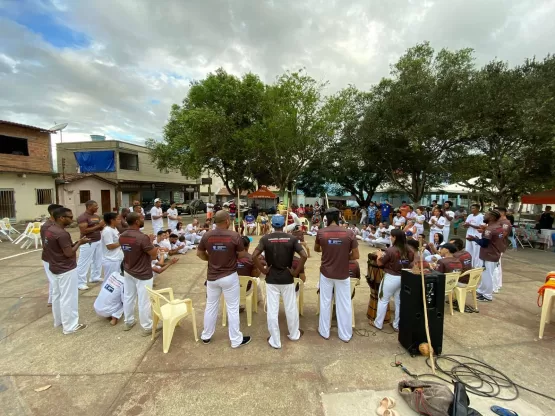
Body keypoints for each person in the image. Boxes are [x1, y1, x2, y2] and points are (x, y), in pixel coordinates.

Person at [197, 210, 251, 348]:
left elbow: (200, 254)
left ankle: (206, 335)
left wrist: (211, 258)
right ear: (227, 221)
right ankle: (235, 340)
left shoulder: (207, 235)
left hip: (212, 277)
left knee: (211, 306)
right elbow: (241, 255)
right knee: (232, 308)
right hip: (229, 276)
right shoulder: (234, 235)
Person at [253, 214, 307, 349]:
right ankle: (294, 334)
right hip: (287, 278)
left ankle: (275, 340)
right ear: (283, 225)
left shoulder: (265, 238)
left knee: (272, 309)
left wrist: (263, 270)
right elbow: (304, 255)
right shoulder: (292, 238)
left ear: (272, 225)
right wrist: (295, 272)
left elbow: (254, 255)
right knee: (291, 307)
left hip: (272, 279)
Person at [314, 207, 359, 342]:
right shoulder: (349, 233)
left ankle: (324, 332)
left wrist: (328, 249)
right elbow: (356, 255)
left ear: (326, 218)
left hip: (326, 273)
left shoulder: (321, 232)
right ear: (339, 217)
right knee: (344, 303)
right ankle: (345, 335)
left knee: (325, 302)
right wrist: (343, 255)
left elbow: (317, 249)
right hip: (343, 273)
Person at [43, 207, 89, 334]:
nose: (72, 218)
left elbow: (56, 249)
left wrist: (77, 242)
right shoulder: (62, 234)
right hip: (66, 269)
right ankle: (70, 326)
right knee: (69, 298)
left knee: (57, 295)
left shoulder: (49, 230)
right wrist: (79, 243)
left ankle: (59, 321)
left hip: (54, 267)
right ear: (61, 218)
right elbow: (68, 253)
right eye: (69, 217)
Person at [120, 212, 159, 335]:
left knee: (128, 297)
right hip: (142, 272)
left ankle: (129, 321)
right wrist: (151, 242)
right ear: (137, 222)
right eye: (141, 218)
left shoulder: (122, 235)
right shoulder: (142, 237)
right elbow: (153, 255)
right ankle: (147, 327)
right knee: (144, 300)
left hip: (128, 269)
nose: (143, 219)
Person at [372, 229, 414, 331]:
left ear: (395, 237)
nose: (390, 237)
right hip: (404, 276)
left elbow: (380, 263)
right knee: (399, 302)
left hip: (391, 277)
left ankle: (378, 324)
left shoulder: (391, 250)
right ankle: (396, 325)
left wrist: (378, 255)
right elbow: (411, 262)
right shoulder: (409, 250)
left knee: (383, 300)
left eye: (391, 236)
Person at [466, 210, 504, 302]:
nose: (484, 217)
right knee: (485, 274)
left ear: (491, 217)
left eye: (486, 215)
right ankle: (482, 290)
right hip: (495, 253)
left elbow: (484, 243)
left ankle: (487, 295)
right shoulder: (498, 227)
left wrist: (474, 238)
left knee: (487, 275)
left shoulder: (490, 229)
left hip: (489, 254)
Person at [76, 200, 105, 290]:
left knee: (97, 260)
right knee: (84, 262)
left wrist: (102, 226)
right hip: (88, 242)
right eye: (95, 206)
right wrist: (98, 226)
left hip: (97, 240)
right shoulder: (83, 217)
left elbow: (99, 227)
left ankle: (95, 277)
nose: (97, 207)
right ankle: (80, 282)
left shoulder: (96, 216)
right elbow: (84, 231)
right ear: (89, 207)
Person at [41, 203, 63, 306]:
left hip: (55, 257)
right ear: (54, 213)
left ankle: (51, 300)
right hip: (50, 258)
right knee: (55, 282)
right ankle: (55, 302)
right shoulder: (47, 227)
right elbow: (46, 245)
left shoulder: (57, 224)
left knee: (53, 280)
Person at [494, 207, 512, 293]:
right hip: (495, 246)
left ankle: (495, 287)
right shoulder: (498, 221)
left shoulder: (505, 222)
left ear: (502, 213)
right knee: (497, 266)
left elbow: (503, 234)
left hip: (498, 246)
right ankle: (498, 284)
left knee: (496, 267)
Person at [101, 212, 124, 282]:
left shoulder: (114, 229)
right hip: (111, 260)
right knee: (109, 281)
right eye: (118, 219)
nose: (120, 221)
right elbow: (109, 246)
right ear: (112, 220)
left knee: (116, 281)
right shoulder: (107, 231)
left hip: (116, 258)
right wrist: (122, 242)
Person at [463, 204, 484, 269]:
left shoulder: (481, 216)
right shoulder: (470, 216)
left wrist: (470, 224)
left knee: (476, 252)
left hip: (476, 235)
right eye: (471, 208)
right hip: (469, 234)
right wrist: (466, 225)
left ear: (478, 209)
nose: (472, 210)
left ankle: (476, 266)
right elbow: (467, 224)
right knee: (468, 250)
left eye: (474, 208)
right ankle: (469, 265)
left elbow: (481, 227)